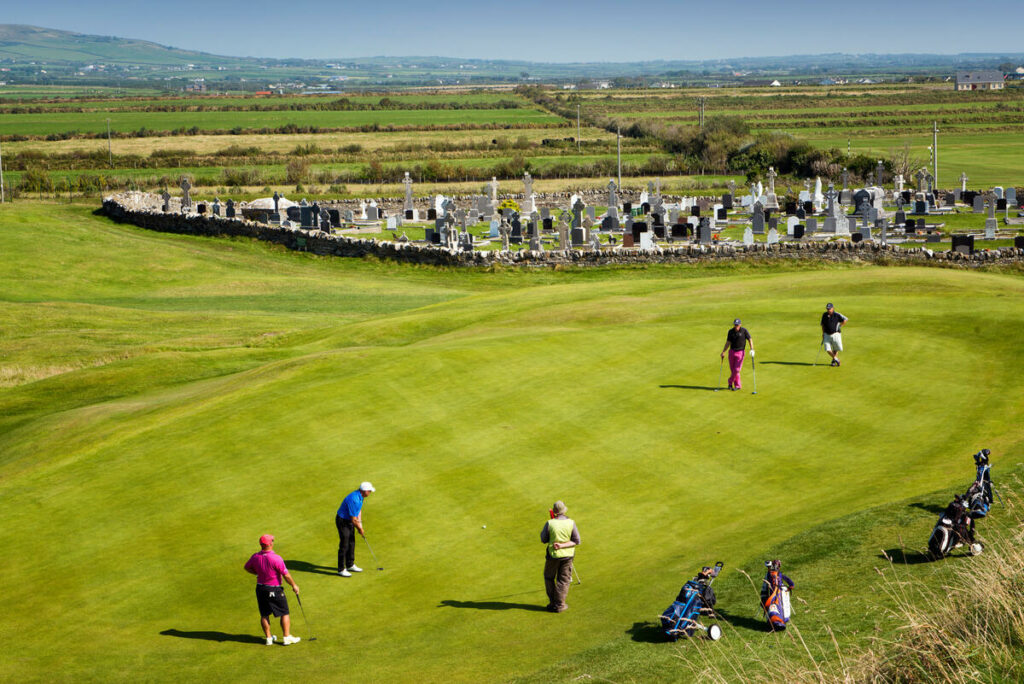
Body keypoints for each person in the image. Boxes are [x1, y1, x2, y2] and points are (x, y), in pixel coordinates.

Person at [243, 534, 300, 646]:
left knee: (264, 614)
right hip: (274, 589)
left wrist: (256, 573)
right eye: (272, 541)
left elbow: (247, 567)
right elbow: (286, 575)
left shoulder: (255, 557)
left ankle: (269, 639)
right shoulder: (276, 558)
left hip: (261, 589)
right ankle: (286, 637)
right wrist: (294, 585)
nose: (273, 542)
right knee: (284, 612)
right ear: (269, 544)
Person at [540, 500, 581, 613]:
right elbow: (576, 541)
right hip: (568, 556)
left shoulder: (550, 523)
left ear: (554, 512)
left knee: (549, 577)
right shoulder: (571, 523)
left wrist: (558, 544)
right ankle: (560, 605)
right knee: (563, 580)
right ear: (564, 511)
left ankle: (553, 603)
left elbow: (543, 539)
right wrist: (564, 545)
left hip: (553, 556)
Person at [336, 482, 375, 577]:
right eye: (369, 491)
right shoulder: (354, 499)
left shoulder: (360, 497)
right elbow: (353, 519)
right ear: (365, 491)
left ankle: (350, 564)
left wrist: (360, 525)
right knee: (344, 544)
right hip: (343, 521)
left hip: (349, 520)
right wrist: (359, 528)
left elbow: (358, 511)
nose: (370, 492)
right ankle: (341, 569)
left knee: (351, 542)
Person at [720, 318, 754, 391]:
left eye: (737, 325)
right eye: (735, 325)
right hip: (732, 352)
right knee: (733, 370)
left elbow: (750, 339)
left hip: (740, 352)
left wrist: (752, 349)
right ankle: (737, 385)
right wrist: (723, 351)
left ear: (740, 325)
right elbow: (728, 342)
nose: (736, 326)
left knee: (737, 369)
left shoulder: (744, 331)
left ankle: (730, 381)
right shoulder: (730, 332)